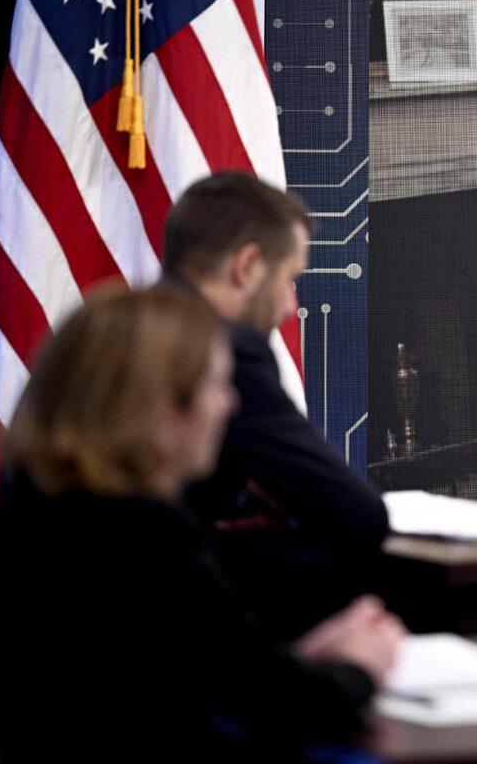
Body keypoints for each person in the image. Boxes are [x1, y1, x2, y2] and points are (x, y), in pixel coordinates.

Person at [0, 288, 406, 762]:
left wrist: (302, 660)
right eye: (217, 386)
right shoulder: (144, 535)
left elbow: (214, 674)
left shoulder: (38, 508)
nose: (230, 405)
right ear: (167, 415)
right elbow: (288, 710)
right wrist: (361, 666)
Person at [160, 172, 388, 636]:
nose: (289, 305)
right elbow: (358, 513)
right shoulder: (223, 347)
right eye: (290, 280)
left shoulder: (108, 326)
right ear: (246, 267)